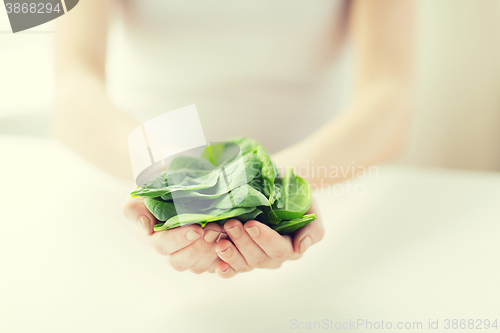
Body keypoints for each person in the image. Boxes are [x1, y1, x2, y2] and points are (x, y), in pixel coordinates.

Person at [53, 0, 414, 278]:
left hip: (321, 182)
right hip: (131, 184)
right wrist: (163, 177)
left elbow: (390, 96)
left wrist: (275, 185)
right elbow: (73, 81)